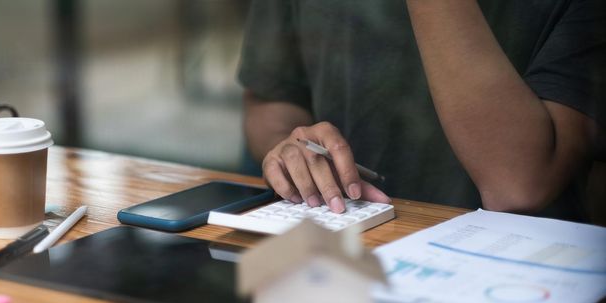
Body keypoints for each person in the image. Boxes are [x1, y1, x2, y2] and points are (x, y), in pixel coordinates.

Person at [237, 0, 606, 222]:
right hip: (347, 247)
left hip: (513, 281)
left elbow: (517, 186)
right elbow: (271, 102)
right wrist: (292, 151)